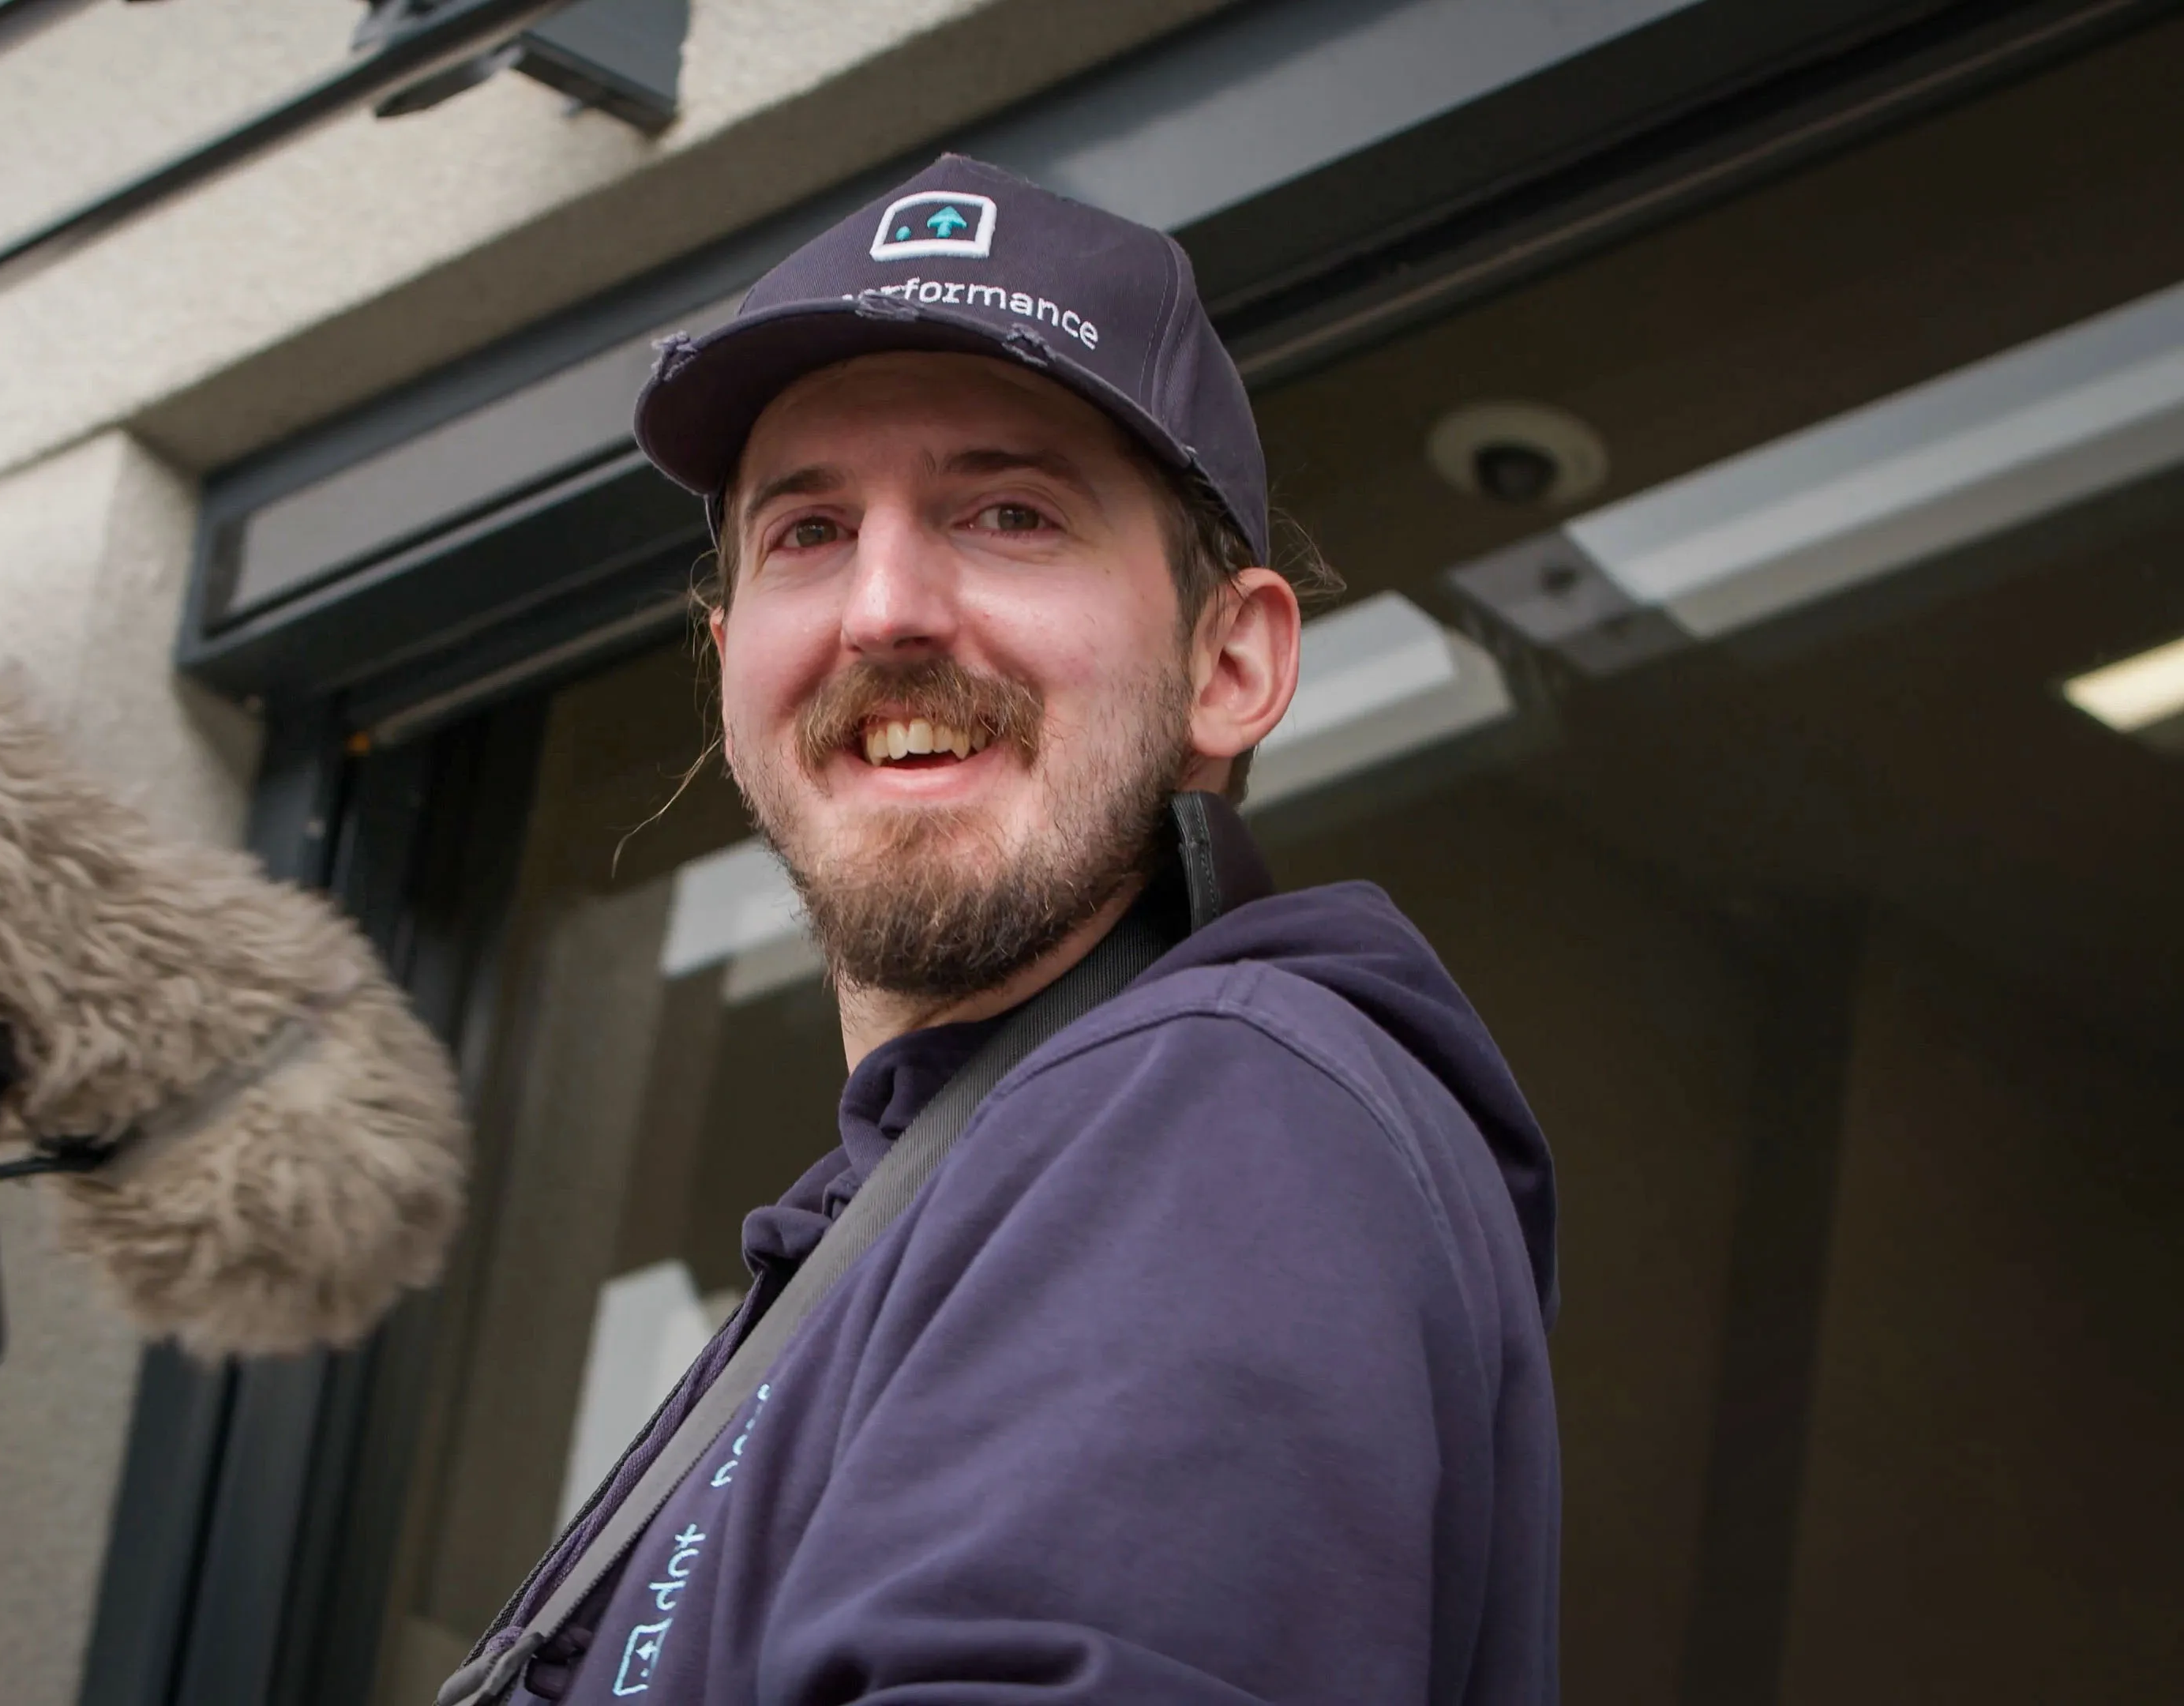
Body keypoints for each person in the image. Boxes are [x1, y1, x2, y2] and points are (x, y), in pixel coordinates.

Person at [452, 155, 1559, 1705]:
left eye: (1011, 512)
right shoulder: (907, 1211)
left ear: (1230, 663)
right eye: (808, 532)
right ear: (727, 661)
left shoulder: (1219, 1112)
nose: (886, 608)